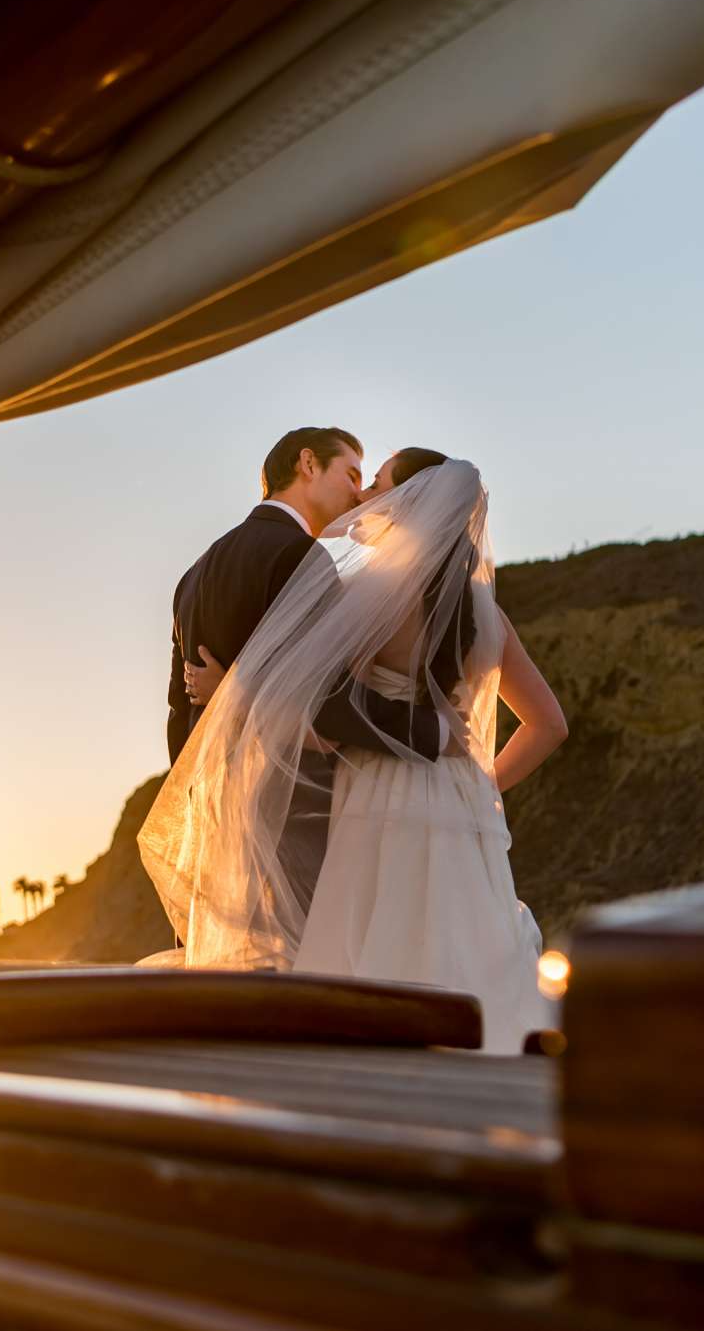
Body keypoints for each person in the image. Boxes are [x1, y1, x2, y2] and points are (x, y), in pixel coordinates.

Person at [142, 448, 566, 1051]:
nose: (366, 494)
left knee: (368, 943)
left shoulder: (369, 598)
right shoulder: (486, 609)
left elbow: (316, 704)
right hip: (461, 799)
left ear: (409, 504)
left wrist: (228, 687)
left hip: (377, 788)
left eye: (378, 484)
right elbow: (549, 725)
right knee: (465, 939)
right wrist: (478, 786)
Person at [165, 427, 447, 916]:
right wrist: (426, 730)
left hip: (213, 813)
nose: (360, 493)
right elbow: (327, 699)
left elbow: (179, 709)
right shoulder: (301, 557)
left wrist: (199, 799)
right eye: (351, 474)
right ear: (308, 464)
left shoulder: (196, 570)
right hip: (293, 812)